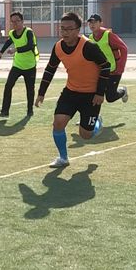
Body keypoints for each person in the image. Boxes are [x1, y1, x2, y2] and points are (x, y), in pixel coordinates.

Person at [35, 12, 110, 168]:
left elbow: (105, 67)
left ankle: (97, 123)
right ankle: (63, 158)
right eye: (62, 29)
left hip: (91, 96)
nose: (65, 32)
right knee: (58, 123)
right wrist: (41, 93)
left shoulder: (89, 47)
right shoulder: (58, 47)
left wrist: (99, 93)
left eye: (69, 29)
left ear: (78, 30)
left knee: (85, 135)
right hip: (70, 92)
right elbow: (50, 69)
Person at [0, 11, 39, 118]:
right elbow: (8, 42)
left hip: (30, 65)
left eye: (17, 21)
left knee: (30, 89)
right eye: (12, 22)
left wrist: (16, 50)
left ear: (22, 21)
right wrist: (1, 52)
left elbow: (30, 46)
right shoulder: (12, 33)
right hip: (17, 65)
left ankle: (30, 110)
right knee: (8, 86)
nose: (15, 23)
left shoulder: (28, 32)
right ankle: (5, 111)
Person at [87, 13, 128, 104]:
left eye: (95, 22)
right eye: (90, 23)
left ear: (101, 23)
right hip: (101, 71)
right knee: (94, 93)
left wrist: (121, 67)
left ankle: (123, 91)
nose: (92, 25)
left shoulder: (109, 35)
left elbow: (124, 48)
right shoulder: (90, 38)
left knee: (110, 97)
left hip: (114, 70)